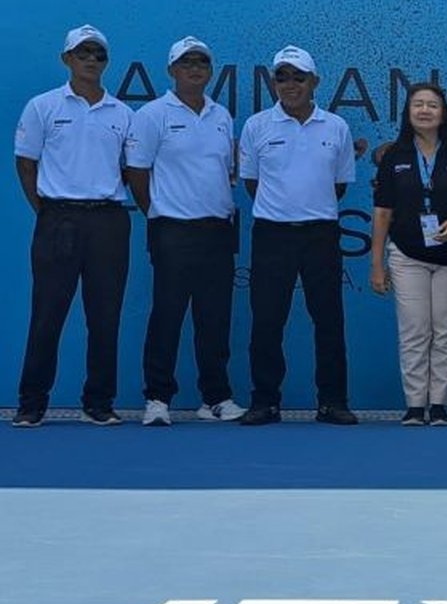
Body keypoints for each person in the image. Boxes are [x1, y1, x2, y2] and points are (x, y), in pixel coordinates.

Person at [12, 25, 132, 428]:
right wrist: (48, 210)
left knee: (104, 315)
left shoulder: (123, 114)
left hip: (108, 220)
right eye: (83, 53)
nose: (91, 60)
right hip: (58, 219)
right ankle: (32, 402)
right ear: (67, 59)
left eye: (98, 53)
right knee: (47, 313)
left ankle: (99, 401)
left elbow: (130, 171)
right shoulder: (43, 106)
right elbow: (26, 165)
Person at [125, 36, 244, 427]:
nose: (195, 68)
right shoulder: (152, 115)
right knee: (167, 316)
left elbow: (227, 172)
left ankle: (216, 398)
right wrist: (158, 213)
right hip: (172, 231)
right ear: (171, 70)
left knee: (215, 319)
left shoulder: (221, 116)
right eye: (187, 62)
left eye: (202, 62)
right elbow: (137, 174)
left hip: (217, 231)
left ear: (210, 71)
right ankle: (158, 399)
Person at [238, 45, 357, 426]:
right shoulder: (257, 125)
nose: (290, 84)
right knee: (267, 321)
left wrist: (307, 211)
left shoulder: (336, 127)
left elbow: (338, 185)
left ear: (315, 82)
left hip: (321, 234)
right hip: (272, 235)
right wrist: (284, 212)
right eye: (282, 77)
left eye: (298, 77)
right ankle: (265, 401)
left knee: (329, 320)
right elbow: (252, 183)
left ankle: (333, 402)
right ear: (273, 82)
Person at [370, 83, 447, 426]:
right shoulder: (395, 155)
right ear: (408, 112)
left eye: (432, 105)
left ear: (443, 113)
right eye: (417, 104)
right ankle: (415, 405)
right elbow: (382, 212)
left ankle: (439, 406)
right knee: (415, 329)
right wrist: (377, 263)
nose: (424, 110)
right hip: (406, 254)